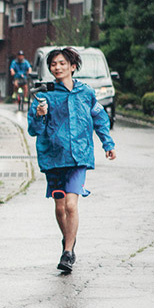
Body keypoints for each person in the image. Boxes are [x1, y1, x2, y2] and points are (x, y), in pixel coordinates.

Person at [28, 47, 116, 272]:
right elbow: (34, 129)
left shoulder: (86, 93)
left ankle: (68, 252)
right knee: (59, 208)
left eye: (62, 63)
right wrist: (39, 114)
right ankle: (68, 238)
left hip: (79, 157)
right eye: (53, 64)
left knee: (71, 204)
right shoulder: (44, 94)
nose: (57, 67)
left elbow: (100, 118)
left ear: (73, 67)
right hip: (53, 158)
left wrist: (108, 144)